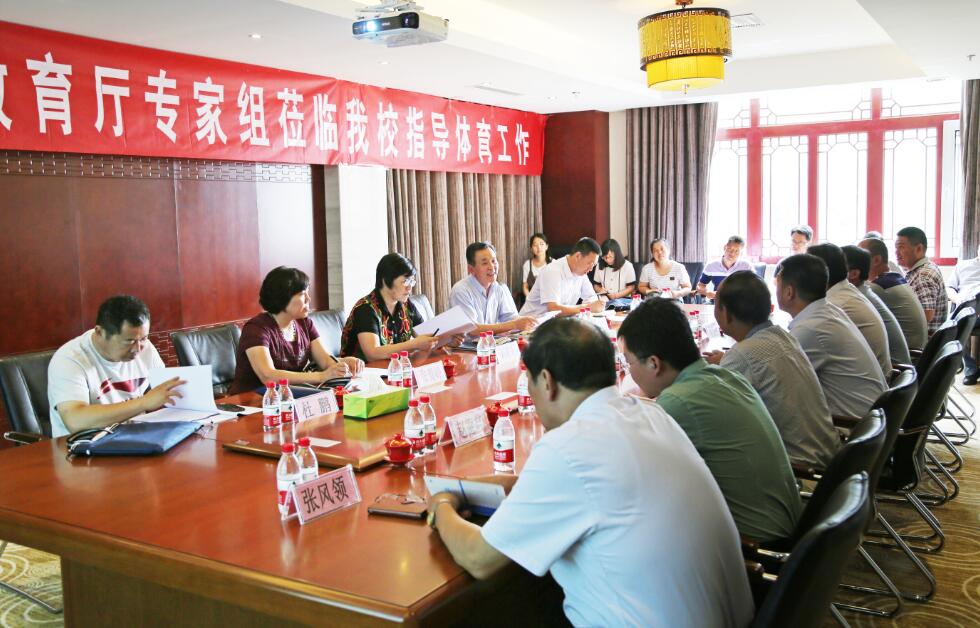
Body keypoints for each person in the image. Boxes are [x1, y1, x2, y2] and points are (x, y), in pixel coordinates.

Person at [428, 318, 754, 627]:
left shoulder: (568, 447)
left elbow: (478, 559)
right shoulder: (650, 413)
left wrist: (441, 504)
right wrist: (497, 487)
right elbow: (590, 487)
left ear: (546, 382)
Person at [619, 298, 803, 543]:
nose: (629, 370)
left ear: (654, 363)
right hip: (790, 523)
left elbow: (636, 481)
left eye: (629, 362)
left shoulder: (678, 402)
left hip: (757, 545)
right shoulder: (725, 376)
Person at [705, 271, 841, 468]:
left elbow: (713, 420)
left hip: (801, 471)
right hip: (829, 460)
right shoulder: (784, 337)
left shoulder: (742, 355)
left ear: (724, 313)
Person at [47, 295, 183, 437]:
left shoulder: (145, 348)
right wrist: (143, 403)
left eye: (143, 338)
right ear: (100, 332)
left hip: (136, 437)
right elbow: (75, 421)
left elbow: (166, 391)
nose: (138, 348)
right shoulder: (69, 360)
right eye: (129, 341)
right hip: (85, 445)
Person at [775, 254, 886, 419]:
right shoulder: (829, 311)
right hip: (873, 420)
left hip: (851, 427)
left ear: (789, 292)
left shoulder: (811, 329)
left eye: (777, 283)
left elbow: (778, 384)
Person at [230, 267, 361, 394]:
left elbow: (325, 361)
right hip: (253, 401)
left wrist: (342, 365)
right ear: (282, 297)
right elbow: (268, 376)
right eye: (302, 294)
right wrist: (322, 376)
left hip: (289, 396)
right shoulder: (256, 328)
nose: (308, 299)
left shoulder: (305, 323)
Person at [807, 243, 891, 376]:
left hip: (870, 383)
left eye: (806, 269)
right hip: (876, 377)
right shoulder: (846, 292)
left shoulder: (837, 303)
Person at [340, 253, 438, 361]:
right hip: (364, 370)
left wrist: (445, 339)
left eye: (412, 281)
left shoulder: (406, 305)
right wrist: (414, 344)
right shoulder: (365, 308)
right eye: (406, 281)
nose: (410, 288)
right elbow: (373, 354)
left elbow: (427, 335)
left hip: (395, 368)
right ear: (386, 280)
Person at [842, 245, 911, 366]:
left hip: (896, 369)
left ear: (854, 274)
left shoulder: (855, 300)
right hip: (899, 367)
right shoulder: (863, 292)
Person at [448, 242, 536, 335]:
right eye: (485, 263)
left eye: (493, 261)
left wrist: (528, 322)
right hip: (467, 344)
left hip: (493, 342)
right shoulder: (461, 291)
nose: (492, 267)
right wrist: (514, 325)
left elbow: (511, 318)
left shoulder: (500, 288)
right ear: (471, 269)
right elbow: (471, 329)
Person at [859, 237, 928, 351]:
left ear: (876, 260)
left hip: (911, 355)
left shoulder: (880, 287)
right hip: (919, 349)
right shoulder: (895, 277)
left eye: (860, 257)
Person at [519, 237, 603, 318]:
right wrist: (586, 307)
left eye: (594, 265)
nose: (591, 269)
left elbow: (591, 298)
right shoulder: (552, 271)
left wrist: (595, 305)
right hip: (530, 324)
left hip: (556, 322)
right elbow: (554, 309)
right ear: (578, 256)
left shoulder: (581, 274)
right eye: (590, 263)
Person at [895, 226, 948, 335]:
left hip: (924, 340)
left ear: (919, 249)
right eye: (896, 248)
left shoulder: (923, 276)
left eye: (901, 247)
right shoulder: (925, 267)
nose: (896, 252)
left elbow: (927, 316)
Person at [948, 245, 980, 384]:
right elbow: (949, 288)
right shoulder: (963, 266)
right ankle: (971, 368)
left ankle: (970, 370)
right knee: (950, 329)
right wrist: (957, 299)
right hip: (964, 307)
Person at [697, 235, 754, 299]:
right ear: (724, 247)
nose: (732, 253)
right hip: (718, 301)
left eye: (737, 251)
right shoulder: (711, 265)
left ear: (741, 253)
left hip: (740, 301)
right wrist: (707, 292)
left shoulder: (747, 266)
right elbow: (700, 285)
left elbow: (754, 287)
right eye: (730, 249)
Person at [591, 238, 636, 308]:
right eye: (605, 257)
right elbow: (596, 285)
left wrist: (616, 296)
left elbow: (631, 287)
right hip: (605, 298)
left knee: (615, 304)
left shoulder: (627, 266)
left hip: (623, 299)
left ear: (617, 254)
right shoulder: (599, 265)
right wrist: (600, 290)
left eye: (610, 257)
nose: (608, 260)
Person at [521, 232, 552, 298]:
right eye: (535, 245)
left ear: (546, 246)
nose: (539, 247)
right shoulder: (527, 265)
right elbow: (525, 287)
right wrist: (530, 299)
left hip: (550, 299)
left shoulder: (553, 263)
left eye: (541, 244)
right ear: (531, 248)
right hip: (533, 299)